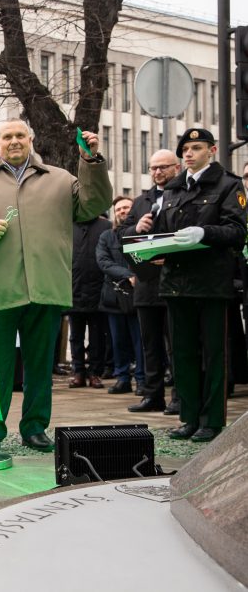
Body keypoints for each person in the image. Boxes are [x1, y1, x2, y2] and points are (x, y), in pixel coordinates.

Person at [0, 119, 111, 452]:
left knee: (39, 364)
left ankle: (35, 426)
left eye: (20, 135)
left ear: (30, 140)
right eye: (8, 136)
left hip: (45, 285)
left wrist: (90, 162)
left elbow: (93, 205)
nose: (14, 141)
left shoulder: (61, 180)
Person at [135, 128, 246, 442]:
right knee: (182, 353)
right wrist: (148, 232)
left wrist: (205, 233)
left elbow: (237, 231)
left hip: (211, 282)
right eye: (185, 148)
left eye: (196, 147)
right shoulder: (173, 188)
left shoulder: (228, 184)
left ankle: (211, 420)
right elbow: (165, 233)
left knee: (213, 353)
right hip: (175, 283)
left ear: (211, 151)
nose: (188, 153)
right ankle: (189, 417)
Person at [121, 149, 178, 413]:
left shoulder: (183, 195)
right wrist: (136, 229)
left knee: (178, 345)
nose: (157, 172)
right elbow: (121, 234)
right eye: (153, 168)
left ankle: (180, 397)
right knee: (150, 345)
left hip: (175, 282)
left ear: (176, 168)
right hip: (146, 284)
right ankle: (153, 395)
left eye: (163, 167)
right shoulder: (142, 201)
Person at [96, 196, 144, 395]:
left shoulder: (143, 233)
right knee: (118, 341)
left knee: (140, 341)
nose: (123, 212)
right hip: (114, 296)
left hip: (140, 295)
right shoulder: (106, 236)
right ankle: (122, 378)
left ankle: (142, 380)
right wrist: (129, 276)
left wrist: (138, 276)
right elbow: (104, 262)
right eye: (119, 209)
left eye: (127, 208)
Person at [67, 215, 110, 389]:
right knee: (75, 335)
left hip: (98, 290)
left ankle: (95, 373)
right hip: (73, 289)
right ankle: (78, 371)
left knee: (97, 336)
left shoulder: (106, 225)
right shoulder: (66, 223)